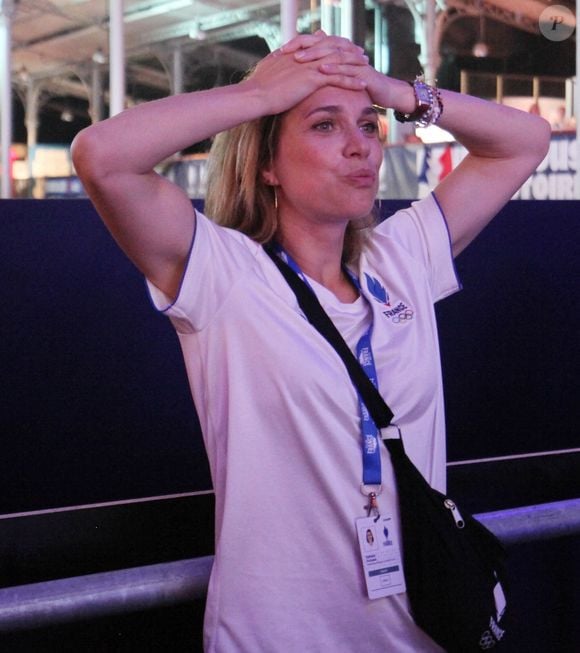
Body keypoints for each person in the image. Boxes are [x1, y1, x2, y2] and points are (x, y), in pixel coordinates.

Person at [72, 31, 550, 652]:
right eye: (324, 127)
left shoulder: (400, 259)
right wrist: (259, 93)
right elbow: (103, 155)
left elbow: (525, 141)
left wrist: (391, 91)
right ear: (266, 164)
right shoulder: (224, 275)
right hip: (276, 637)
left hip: (420, 634)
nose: (359, 148)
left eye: (369, 127)